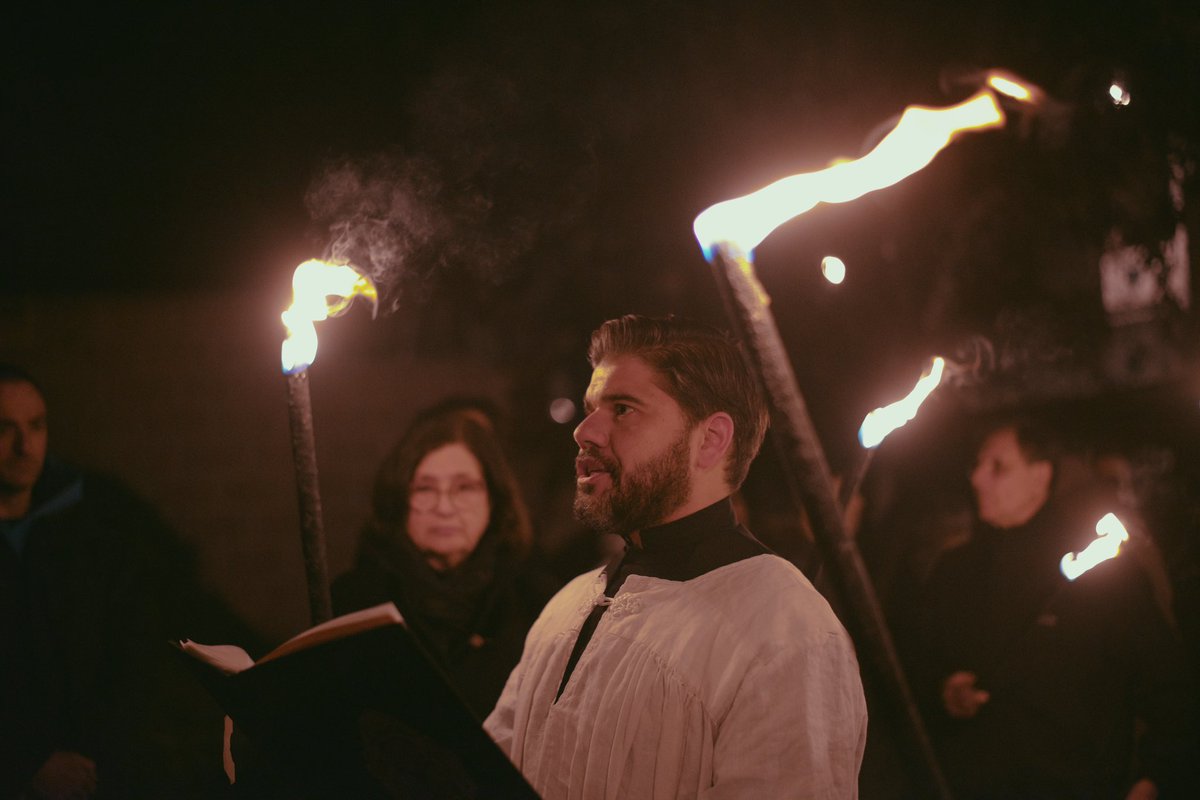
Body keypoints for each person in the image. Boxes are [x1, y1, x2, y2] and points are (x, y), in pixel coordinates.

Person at [484, 315, 868, 798]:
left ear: (710, 440)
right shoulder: (568, 604)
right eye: (591, 408)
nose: (585, 430)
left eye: (622, 409)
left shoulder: (787, 631)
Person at [903, 418, 1196, 799]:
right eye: (976, 465)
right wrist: (943, 692)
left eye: (998, 467)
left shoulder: (1104, 570)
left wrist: (1153, 779)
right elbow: (912, 668)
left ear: (1041, 476)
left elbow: (1170, 690)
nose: (977, 478)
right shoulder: (954, 570)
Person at [0, 364, 228, 799]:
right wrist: (24, 762)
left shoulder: (91, 536)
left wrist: (101, 760)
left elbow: (132, 657)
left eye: (36, 426)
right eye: (4, 429)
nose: (24, 446)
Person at [332, 401, 558, 719]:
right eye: (424, 488)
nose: (444, 507)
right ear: (399, 498)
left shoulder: (537, 606)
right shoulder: (355, 603)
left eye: (464, 488)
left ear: (494, 498)